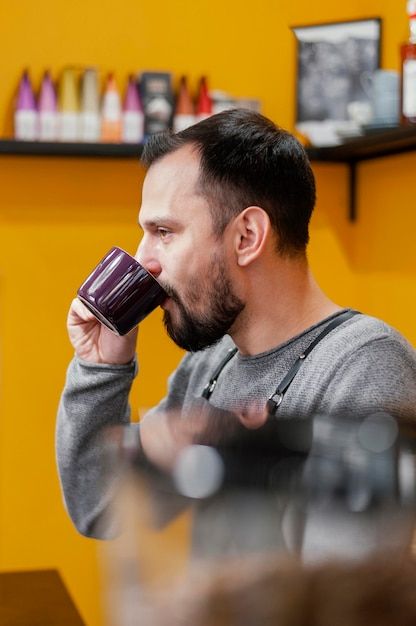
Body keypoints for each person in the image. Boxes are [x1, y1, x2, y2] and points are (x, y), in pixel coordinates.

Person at [56, 109, 416, 543]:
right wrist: (101, 369)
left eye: (164, 231)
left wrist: (243, 463)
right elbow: (102, 508)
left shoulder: (366, 368)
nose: (144, 260)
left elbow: (351, 598)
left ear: (246, 236)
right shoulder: (210, 365)